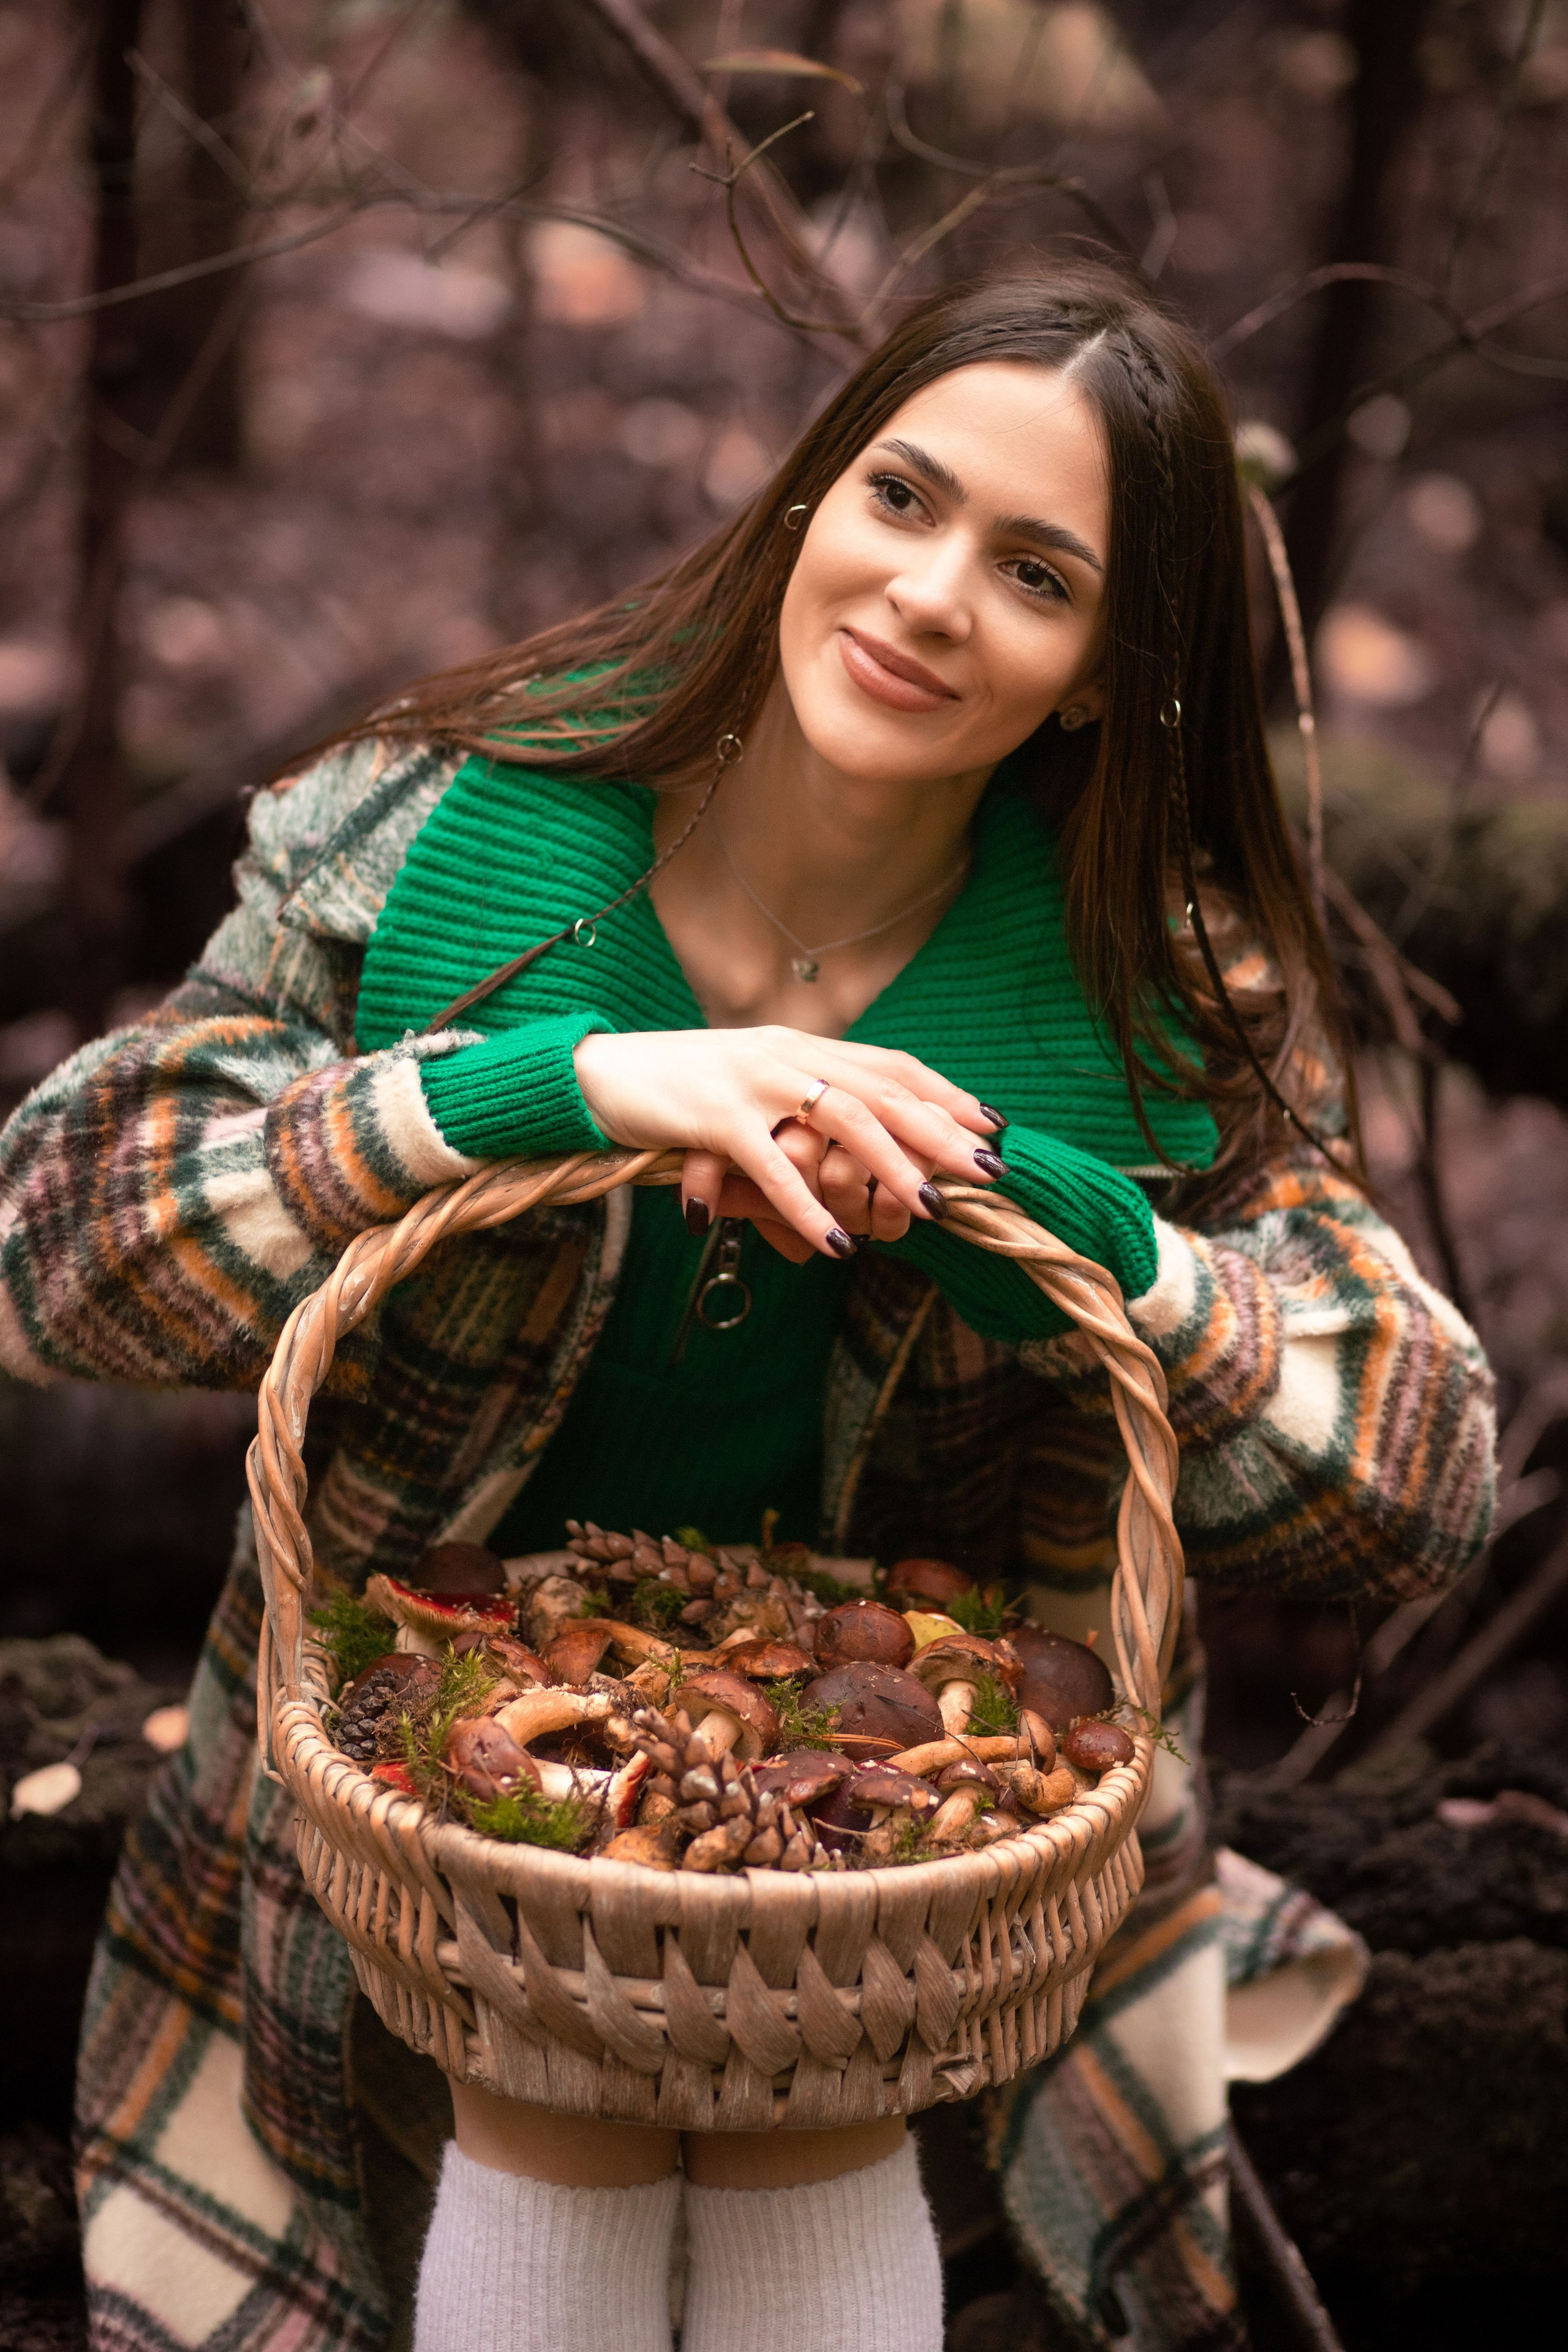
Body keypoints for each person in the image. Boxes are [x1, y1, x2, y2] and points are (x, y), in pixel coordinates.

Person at [0, 263, 1493, 2352]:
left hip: (907, 1874)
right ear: (810, 498)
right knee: (562, 2087)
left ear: (1094, 675)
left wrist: (1030, 1197)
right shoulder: (453, 846)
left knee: (807, 2088)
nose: (930, 592)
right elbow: (57, 1247)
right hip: (427, 1825)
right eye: (901, 496)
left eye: (1038, 572)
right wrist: (550, 1087)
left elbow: (1414, 1477)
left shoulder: (1154, 997)